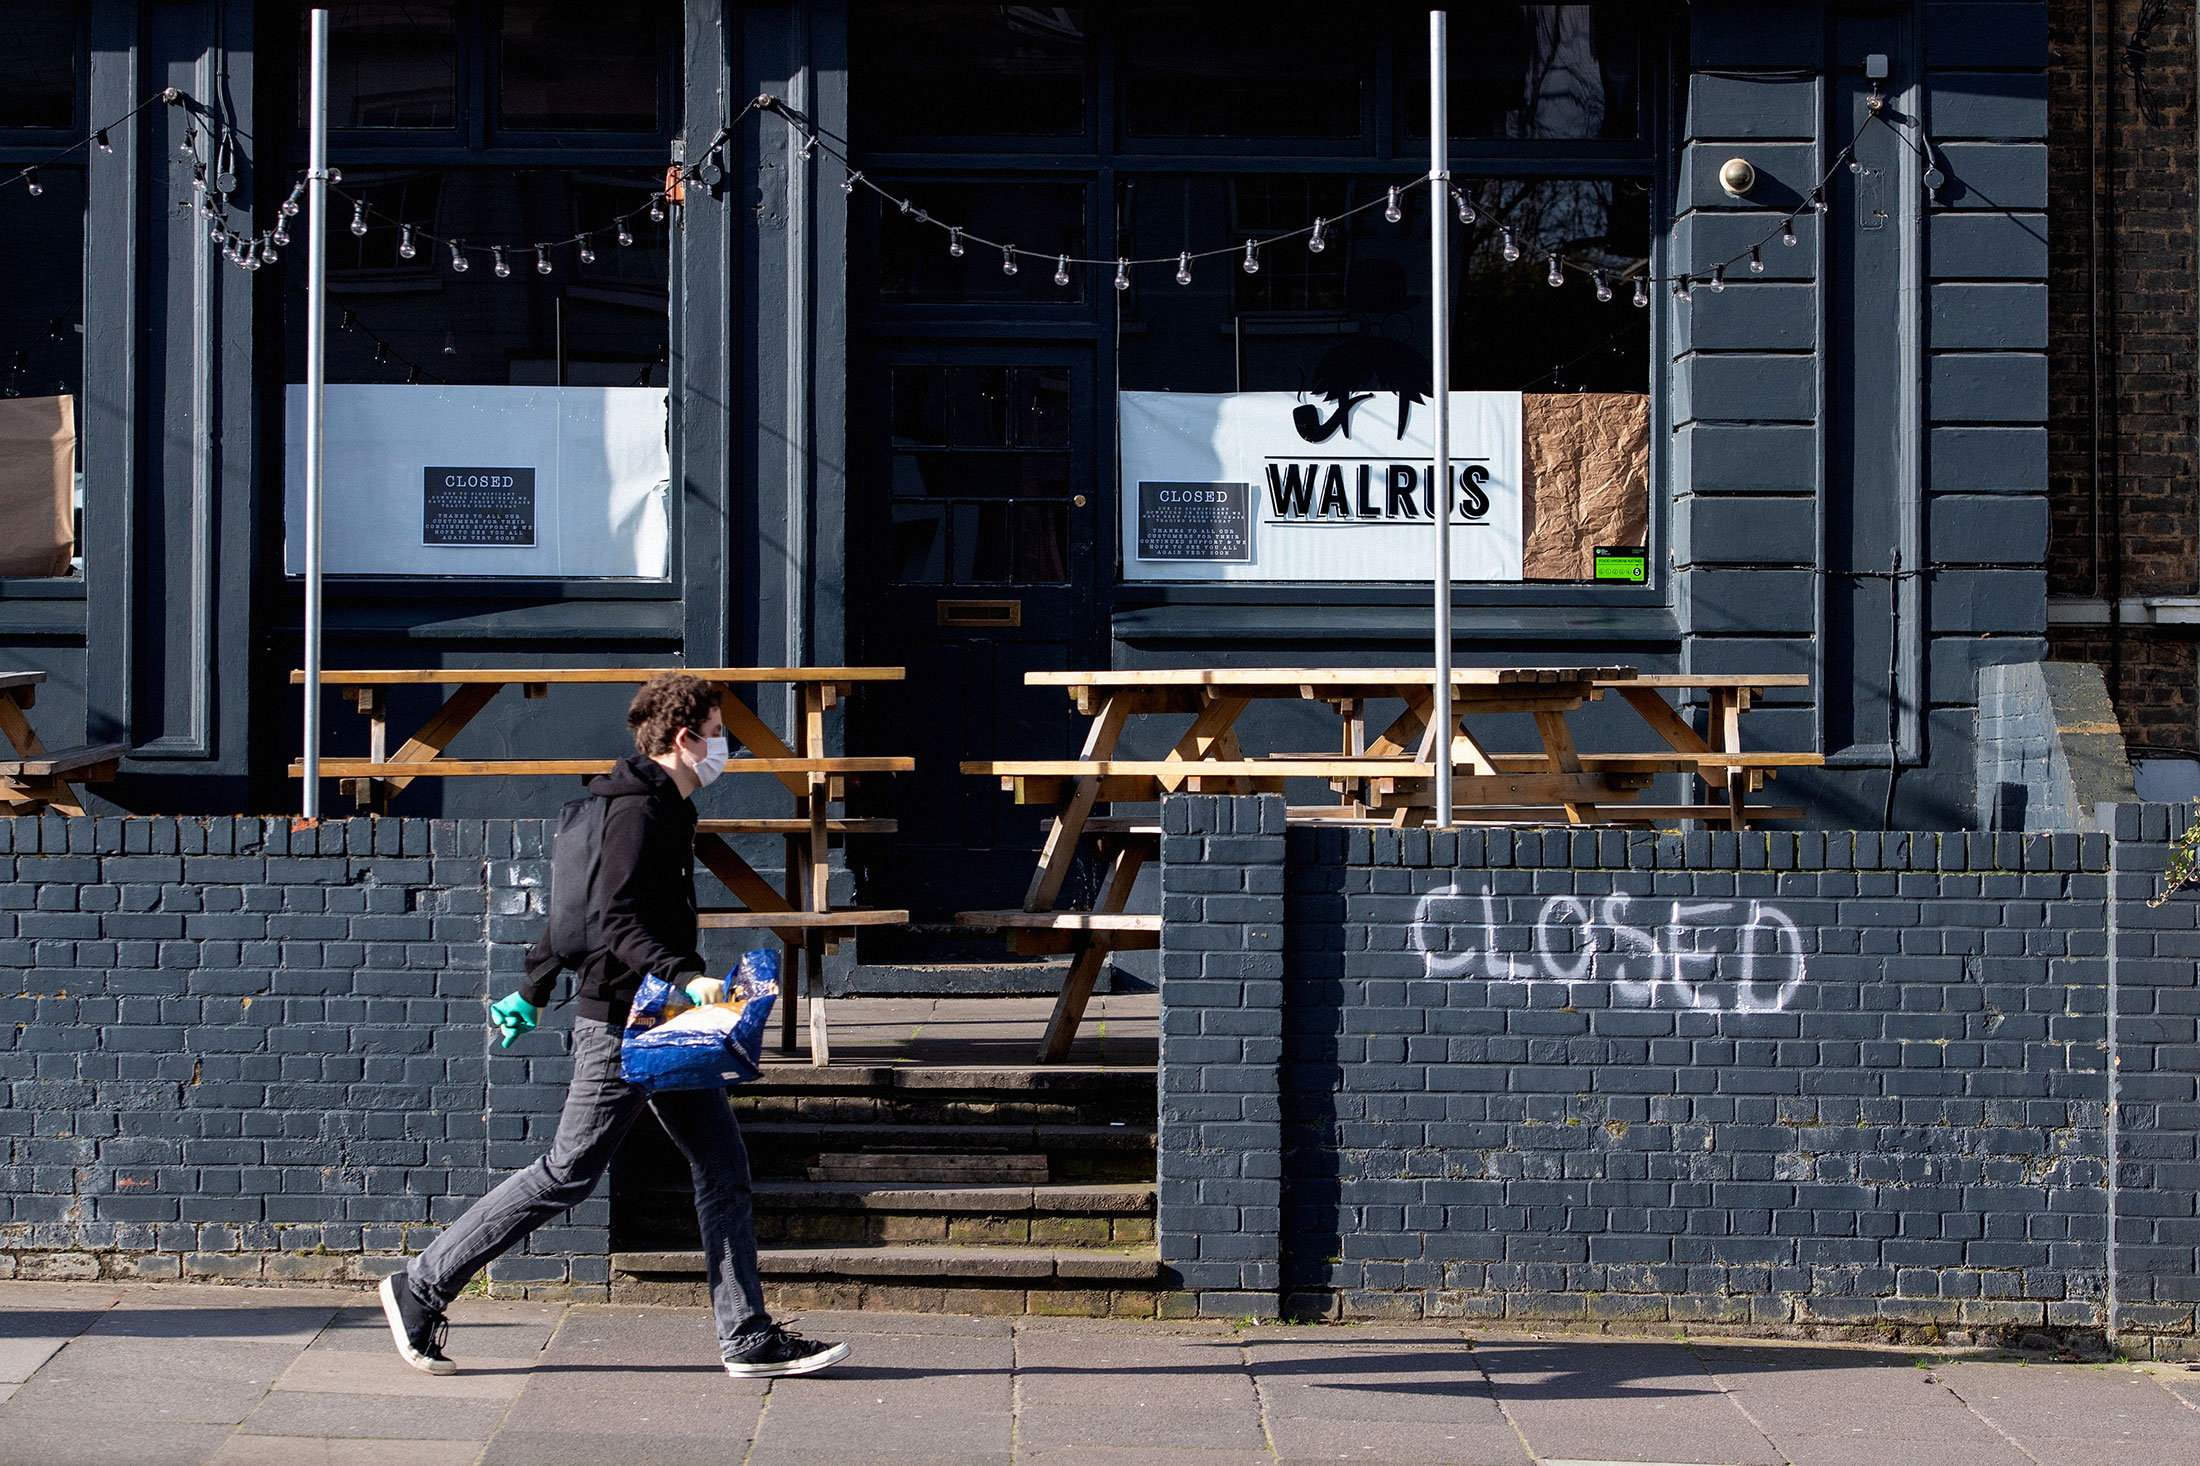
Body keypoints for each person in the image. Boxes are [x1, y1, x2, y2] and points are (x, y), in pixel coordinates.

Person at [378, 672, 848, 1380]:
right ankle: (420, 1286)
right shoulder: (639, 812)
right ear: (686, 738)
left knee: (722, 1165)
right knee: (568, 1173)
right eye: (720, 735)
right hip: (627, 1020)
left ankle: (746, 1337)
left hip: (662, 1018)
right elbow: (612, 919)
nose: (727, 749)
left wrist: (535, 985)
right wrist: (685, 976)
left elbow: (574, 910)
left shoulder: (651, 804)